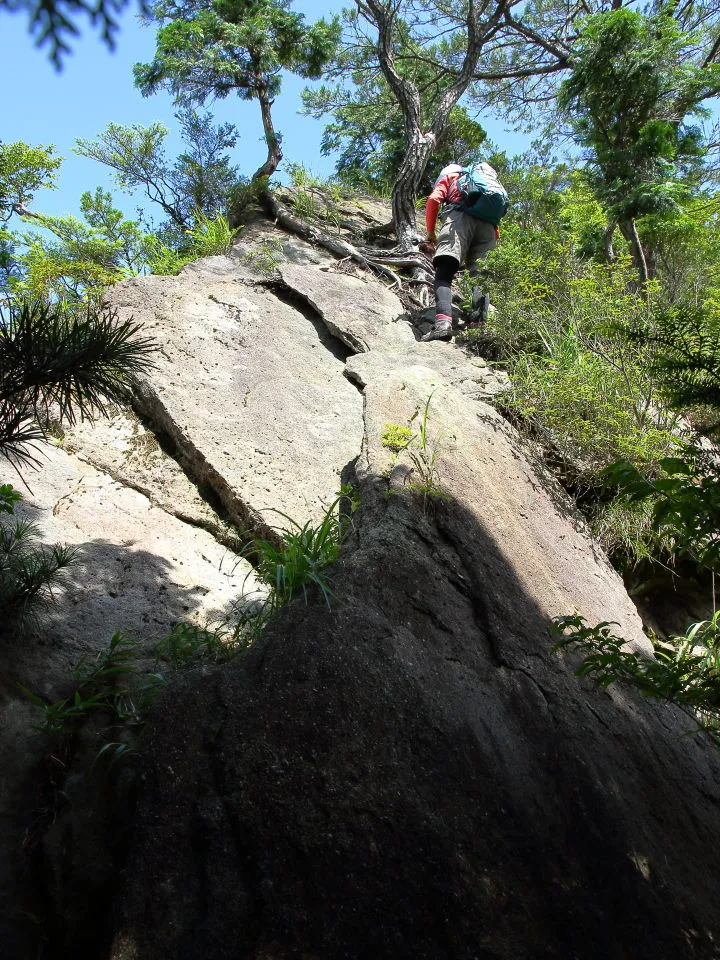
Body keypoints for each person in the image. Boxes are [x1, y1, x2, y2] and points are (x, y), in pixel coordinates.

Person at [421, 162, 500, 342]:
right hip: (488, 229)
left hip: (458, 219)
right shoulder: (482, 189)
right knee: (480, 279)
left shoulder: (451, 177)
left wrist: (431, 232)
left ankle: (442, 325)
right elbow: (496, 229)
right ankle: (480, 329)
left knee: (444, 273)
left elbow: (434, 200)